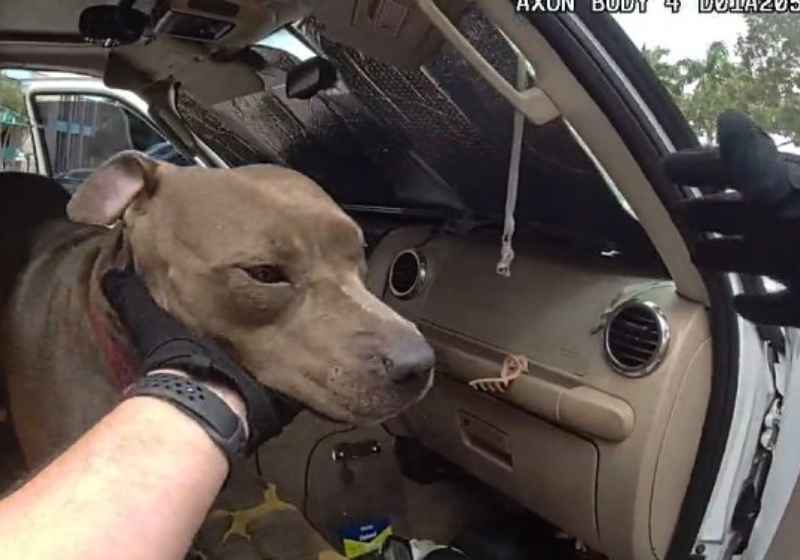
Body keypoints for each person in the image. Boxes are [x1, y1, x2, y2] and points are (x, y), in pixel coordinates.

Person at [0, 111, 798, 560]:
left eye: (352, 259)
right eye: (266, 277)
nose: (408, 346)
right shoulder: (79, 312)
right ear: (129, 212)